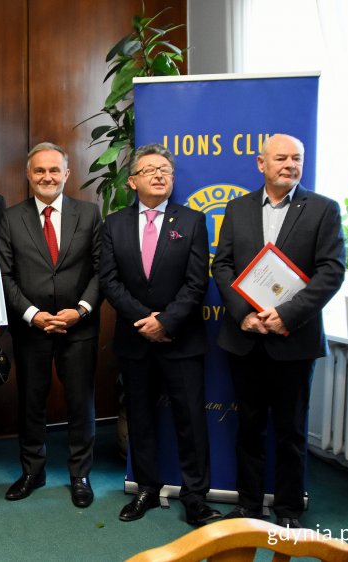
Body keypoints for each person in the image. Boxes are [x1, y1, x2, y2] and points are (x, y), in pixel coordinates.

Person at [213, 134, 345, 529]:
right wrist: (243, 314)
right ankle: (249, 507)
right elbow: (222, 266)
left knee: (290, 432)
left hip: (294, 339)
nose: (290, 165)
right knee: (248, 429)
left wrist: (286, 315)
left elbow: (331, 271)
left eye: (297, 158)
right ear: (261, 164)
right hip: (245, 337)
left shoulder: (323, 209)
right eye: (281, 158)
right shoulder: (236, 209)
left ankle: (288, 511)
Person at [99, 144, 220, 527]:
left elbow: (197, 281)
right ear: (132, 181)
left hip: (181, 339)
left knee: (190, 422)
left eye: (165, 169)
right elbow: (109, 281)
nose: (159, 175)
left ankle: (196, 498)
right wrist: (145, 320)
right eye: (150, 169)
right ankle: (147, 490)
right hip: (135, 341)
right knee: (141, 418)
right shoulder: (114, 224)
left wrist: (166, 322)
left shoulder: (194, 221)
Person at [0, 142, 101, 508]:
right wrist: (32, 314)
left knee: (80, 403)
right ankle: (32, 471)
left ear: (67, 174)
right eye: (39, 170)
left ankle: (80, 475)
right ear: (28, 175)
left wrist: (82, 309)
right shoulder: (11, 218)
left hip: (79, 328)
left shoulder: (89, 214)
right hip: (31, 328)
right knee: (31, 403)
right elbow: (4, 273)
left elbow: (102, 270)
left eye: (54, 170)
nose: (47, 177)